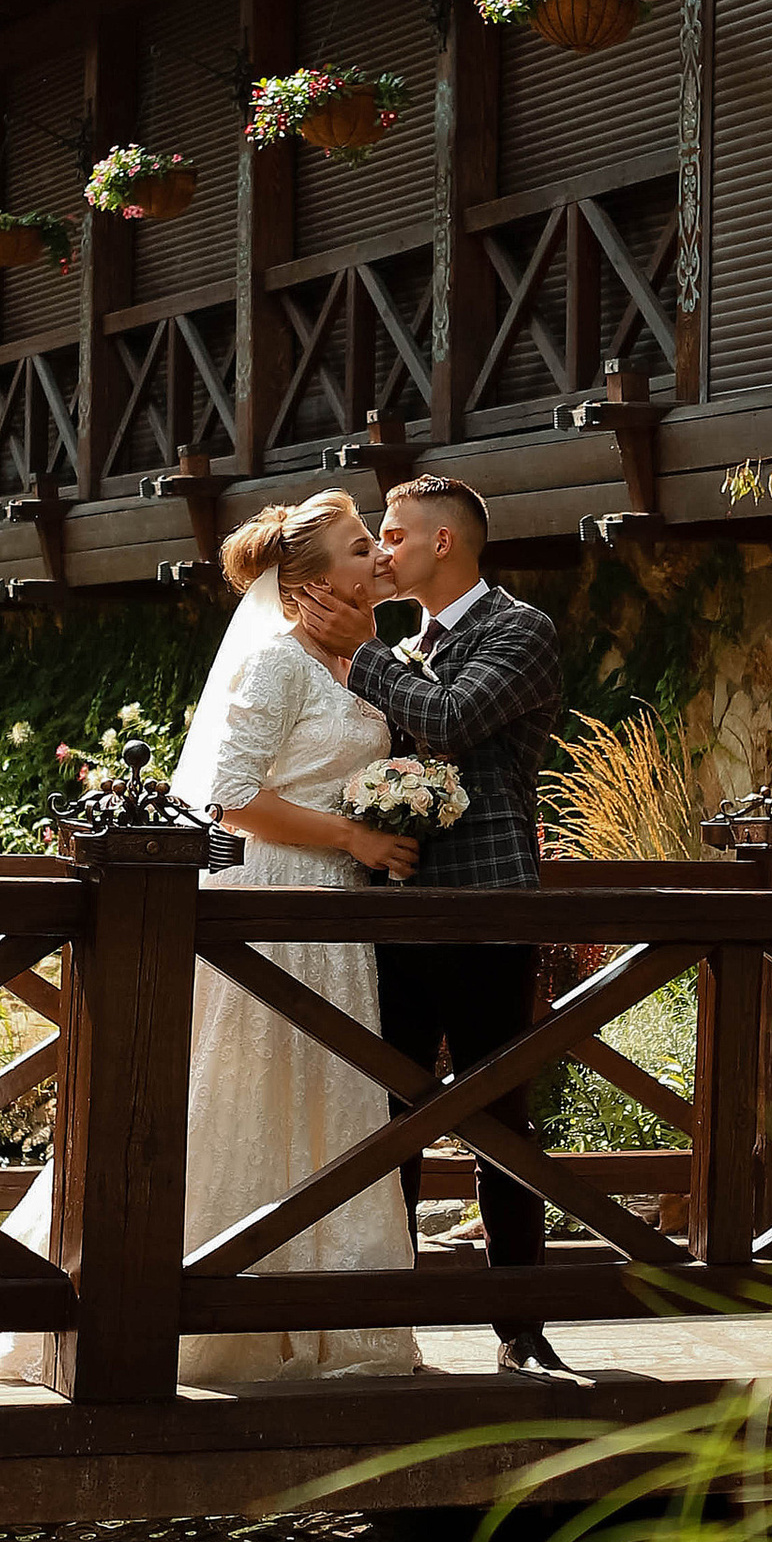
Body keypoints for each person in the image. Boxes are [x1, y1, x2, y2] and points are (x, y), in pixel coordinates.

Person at [0, 489, 422, 1390]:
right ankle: (193, 1300)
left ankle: (330, 1322)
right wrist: (355, 837)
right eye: (360, 543)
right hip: (274, 898)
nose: (378, 554)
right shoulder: (278, 667)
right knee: (241, 1086)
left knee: (329, 1092)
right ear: (310, 583)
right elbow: (228, 798)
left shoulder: (364, 667)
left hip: (339, 920)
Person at [292, 472, 570, 1376]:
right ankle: (391, 1327)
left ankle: (522, 1329)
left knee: (500, 1118)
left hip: (487, 907)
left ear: (443, 543)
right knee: (391, 1116)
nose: (383, 551)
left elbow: (449, 722)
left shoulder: (518, 630)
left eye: (396, 536)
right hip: (394, 908)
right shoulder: (409, 642)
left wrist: (364, 654)